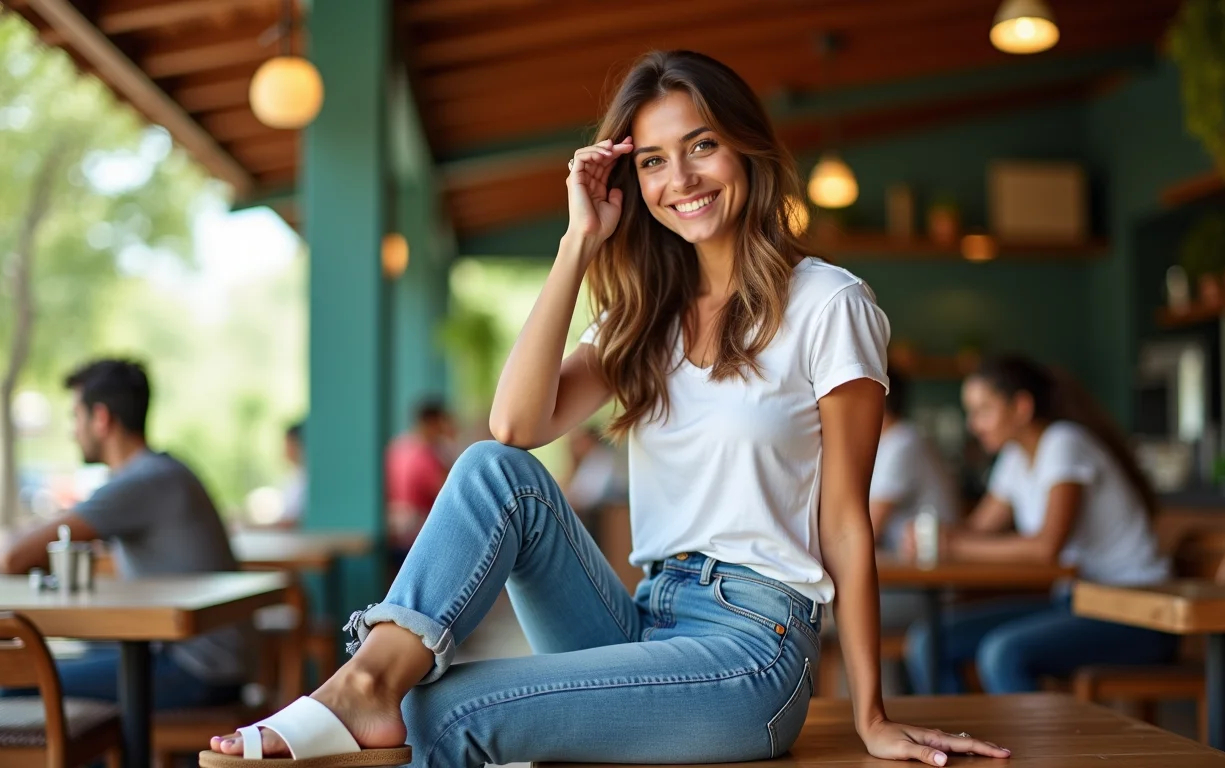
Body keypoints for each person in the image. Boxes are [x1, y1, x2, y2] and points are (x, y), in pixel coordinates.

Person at [206, 51, 1009, 767]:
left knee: (443, 713)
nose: (680, 179)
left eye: (701, 146)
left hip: (753, 648)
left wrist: (871, 715)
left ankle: (366, 692)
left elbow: (846, 524)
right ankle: (366, 682)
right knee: (495, 473)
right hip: (644, 615)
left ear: (746, 147)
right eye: (653, 160)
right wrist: (577, 242)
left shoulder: (829, 303)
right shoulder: (644, 317)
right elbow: (515, 429)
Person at [901, 354, 1178, 694]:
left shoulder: (1064, 443)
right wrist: (931, 535)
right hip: (1076, 603)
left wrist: (954, 545)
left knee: (1003, 654)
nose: (973, 425)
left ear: (1021, 407)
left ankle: (1037, 734)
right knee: (928, 641)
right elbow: (976, 529)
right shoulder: (1015, 457)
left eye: (983, 410)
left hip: (1137, 612)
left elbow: (1047, 547)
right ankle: (956, 730)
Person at [0, 359, 253, 708]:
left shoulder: (142, 481)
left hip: (195, 669)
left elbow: (14, 558)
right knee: (58, 659)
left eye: (75, 416)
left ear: (101, 418)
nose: (72, 431)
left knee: (16, 680)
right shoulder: (161, 472)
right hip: (199, 657)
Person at [867, 369, 959, 695]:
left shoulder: (902, 443)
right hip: (908, 582)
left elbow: (866, 529)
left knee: (827, 611)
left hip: (929, 589)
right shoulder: (889, 443)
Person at [384, 400, 456, 570]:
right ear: (433, 423)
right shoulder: (427, 456)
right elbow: (451, 494)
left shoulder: (397, 448)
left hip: (393, 533)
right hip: (417, 540)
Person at [279, 420, 306, 527]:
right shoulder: (294, 476)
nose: (285, 450)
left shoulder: (307, 479)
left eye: (288, 444)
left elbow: (292, 522)